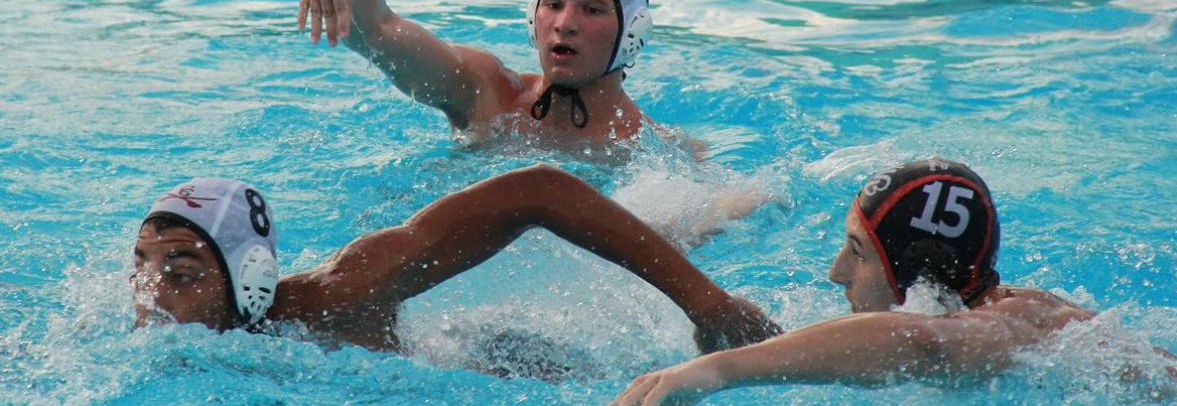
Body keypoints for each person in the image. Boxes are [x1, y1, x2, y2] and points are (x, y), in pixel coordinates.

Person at [608, 158, 1175, 405]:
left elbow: (921, 345)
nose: (833, 272)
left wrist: (715, 373)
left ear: (916, 275)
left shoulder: (1013, 327)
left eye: (858, 252)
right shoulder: (982, 307)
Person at [132, 163, 781, 356]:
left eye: (184, 272)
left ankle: (716, 205)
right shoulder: (125, 333)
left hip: (513, 361)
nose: (152, 292)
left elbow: (538, 189)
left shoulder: (340, 290)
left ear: (249, 280)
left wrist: (709, 304)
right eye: (142, 266)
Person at [299, 0, 655, 149]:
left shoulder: (650, 148)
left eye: (592, 9)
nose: (564, 24)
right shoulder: (486, 91)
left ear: (632, 31)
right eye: (553, 4)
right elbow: (378, 30)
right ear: (533, 16)